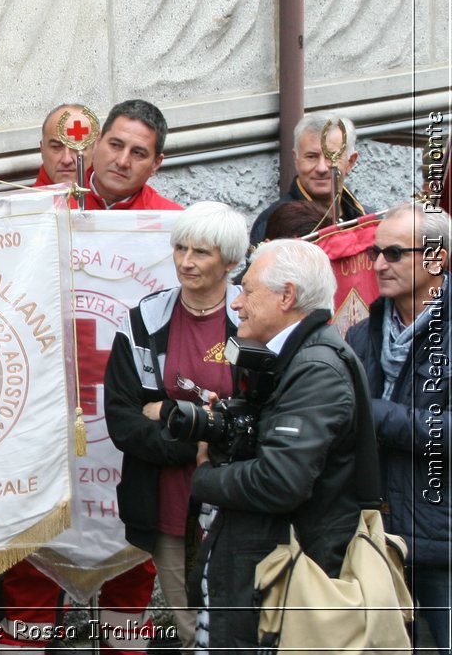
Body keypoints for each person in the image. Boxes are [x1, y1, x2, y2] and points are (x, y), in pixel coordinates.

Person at [192, 239, 369, 650]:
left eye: (248, 291)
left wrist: (204, 477)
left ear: (287, 296)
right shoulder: (291, 360)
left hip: (285, 584)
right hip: (264, 573)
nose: (236, 305)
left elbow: (279, 481)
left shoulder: (316, 369)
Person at [98, 201, 250, 652]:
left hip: (240, 498)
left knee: (240, 620)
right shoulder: (144, 320)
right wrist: (198, 440)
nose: (186, 261)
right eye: (180, 248)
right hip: (166, 500)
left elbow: (259, 418)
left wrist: (165, 412)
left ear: (229, 260)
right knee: (188, 626)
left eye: (200, 252)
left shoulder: (253, 316)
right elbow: (123, 420)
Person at [344, 202, 450, 655]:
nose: (379, 264)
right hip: (373, 537)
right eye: (375, 253)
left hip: (442, 542)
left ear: (436, 258)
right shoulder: (360, 336)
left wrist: (374, 414)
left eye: (394, 253)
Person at [249, 112, 367, 245]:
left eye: (332, 157)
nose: (321, 168)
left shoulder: (369, 221)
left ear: (350, 162)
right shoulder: (271, 224)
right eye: (311, 157)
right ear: (296, 159)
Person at [82, 99, 182, 211]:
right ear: (97, 142)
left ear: (155, 164)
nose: (122, 162)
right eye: (115, 145)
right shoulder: (61, 205)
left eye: (138, 153)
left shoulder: (171, 220)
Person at [34, 103, 96, 187]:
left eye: (77, 147)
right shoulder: (30, 200)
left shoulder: (112, 196)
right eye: (56, 147)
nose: (66, 160)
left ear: (95, 151)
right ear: (42, 150)